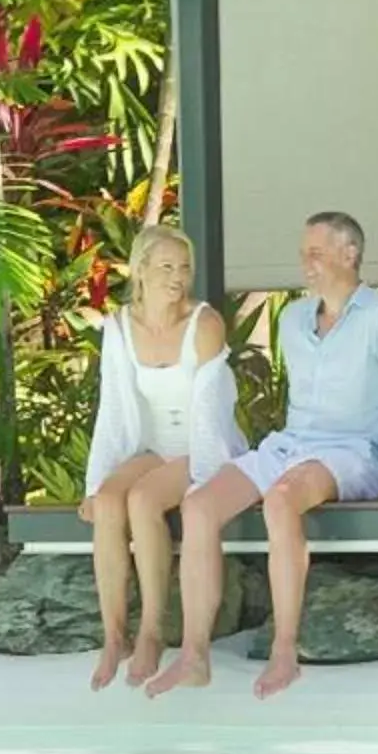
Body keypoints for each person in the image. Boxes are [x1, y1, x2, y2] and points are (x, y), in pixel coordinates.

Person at [147, 211, 378, 701]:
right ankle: (194, 655)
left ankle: (284, 650)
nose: (305, 265)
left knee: (282, 499)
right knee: (198, 505)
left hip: (355, 452)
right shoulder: (292, 320)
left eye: (316, 253)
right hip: (292, 444)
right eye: (303, 254)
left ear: (349, 254)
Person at [77, 225, 240, 689]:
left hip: (201, 448)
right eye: (167, 266)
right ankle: (113, 637)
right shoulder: (120, 327)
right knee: (109, 501)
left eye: (185, 267)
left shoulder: (204, 324)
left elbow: (211, 417)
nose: (178, 276)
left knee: (145, 501)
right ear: (141, 270)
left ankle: (151, 630)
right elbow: (113, 411)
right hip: (152, 447)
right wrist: (93, 485)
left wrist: (207, 482)